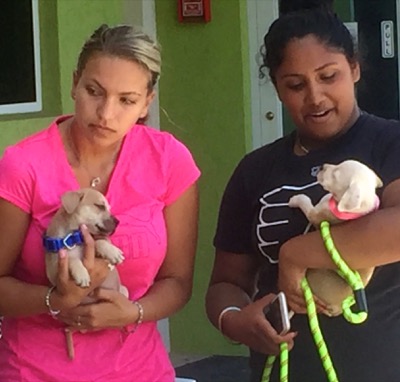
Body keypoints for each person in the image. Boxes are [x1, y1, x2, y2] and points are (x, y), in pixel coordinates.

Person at [206, 6, 400, 382]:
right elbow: (225, 284)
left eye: (329, 76)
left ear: (355, 69)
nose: (315, 96)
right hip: (283, 370)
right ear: (277, 88)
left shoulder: (389, 143)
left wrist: (296, 255)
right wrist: (235, 320)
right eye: (295, 85)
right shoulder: (254, 170)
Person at [0, 24, 200, 382]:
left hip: (139, 369)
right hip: (33, 370)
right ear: (75, 82)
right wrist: (55, 300)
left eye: (126, 100)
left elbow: (178, 282)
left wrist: (133, 312)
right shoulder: (23, 165)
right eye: (94, 91)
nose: (106, 113)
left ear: (146, 103)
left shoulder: (169, 160)